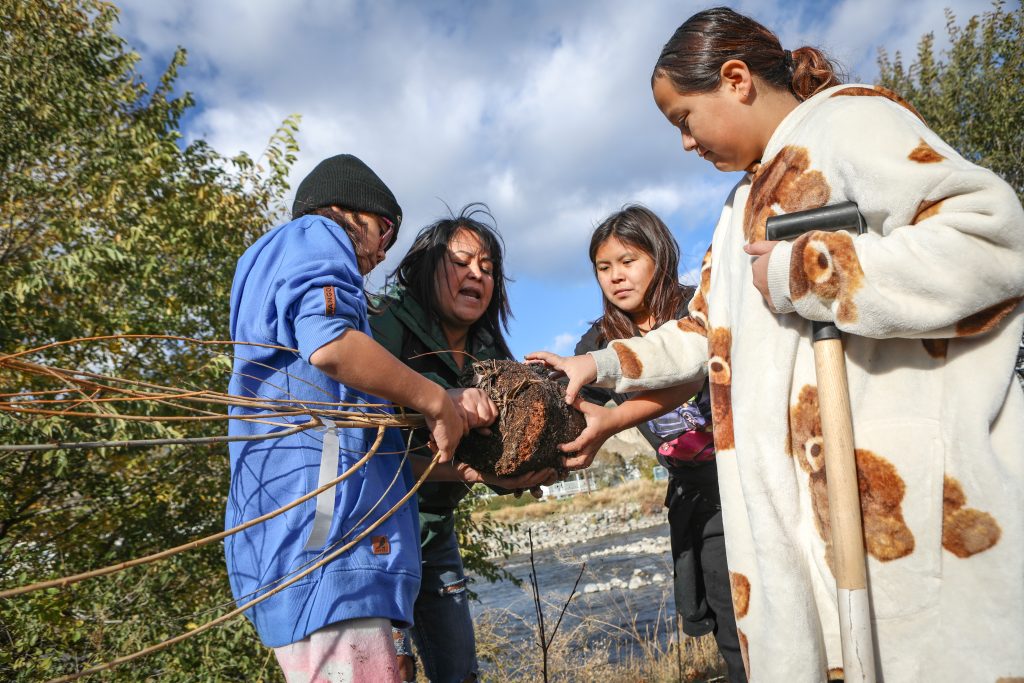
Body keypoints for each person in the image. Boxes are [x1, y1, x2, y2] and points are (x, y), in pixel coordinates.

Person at [528, 7, 1024, 681]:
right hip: (798, 539)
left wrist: (805, 271)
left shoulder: (851, 122)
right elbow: (703, 332)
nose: (685, 143)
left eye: (684, 119)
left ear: (735, 79)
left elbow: (993, 240)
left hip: (900, 516)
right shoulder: (736, 211)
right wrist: (598, 362)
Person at [225, 154, 466, 683]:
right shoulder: (314, 232)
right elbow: (329, 342)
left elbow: (359, 434)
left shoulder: (276, 273)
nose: (382, 253)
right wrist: (435, 400)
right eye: (385, 231)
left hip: (321, 550)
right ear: (348, 210)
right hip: (330, 549)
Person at [371, 204, 555, 683]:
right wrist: (470, 470)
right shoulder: (385, 326)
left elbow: (496, 452)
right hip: (373, 538)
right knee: (391, 673)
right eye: (462, 261)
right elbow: (365, 453)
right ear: (429, 265)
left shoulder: (489, 352)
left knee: (459, 673)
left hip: (433, 532)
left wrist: (529, 467)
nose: (477, 273)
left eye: (488, 268)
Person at [573, 205, 746, 682]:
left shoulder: (698, 310)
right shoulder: (600, 342)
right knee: (732, 631)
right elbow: (567, 409)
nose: (616, 277)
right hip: (698, 498)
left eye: (628, 261)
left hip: (750, 481)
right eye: (604, 268)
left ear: (659, 257)